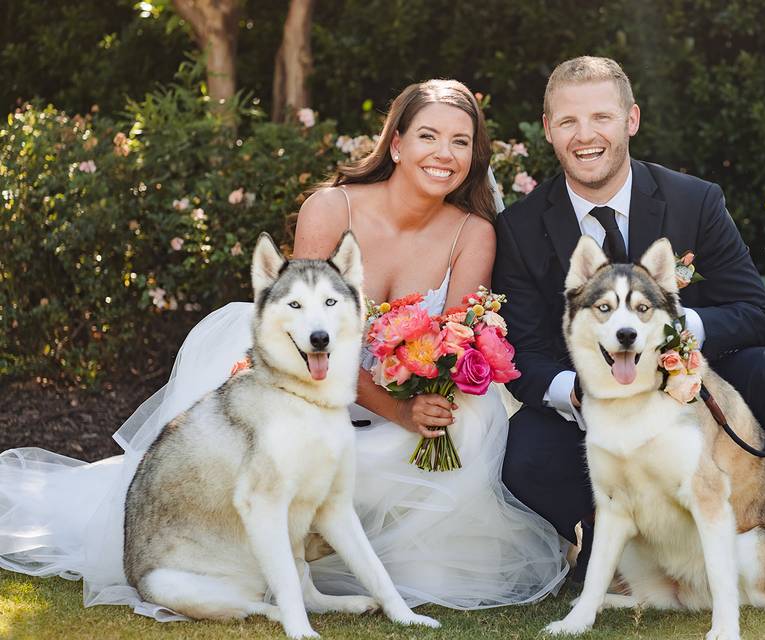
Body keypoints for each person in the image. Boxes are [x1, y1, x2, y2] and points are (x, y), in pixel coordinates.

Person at [0, 79, 567, 622]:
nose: (444, 152)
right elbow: (302, 336)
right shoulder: (332, 208)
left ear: (475, 155)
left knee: (470, 418)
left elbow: (454, 342)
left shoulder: (473, 232)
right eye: (428, 135)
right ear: (396, 143)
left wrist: (420, 401)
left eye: (461, 141)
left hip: (399, 398)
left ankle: (356, 556)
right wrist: (392, 407)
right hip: (304, 386)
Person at [493, 56, 765, 613]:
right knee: (522, 457)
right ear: (547, 128)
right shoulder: (519, 227)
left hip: (700, 387)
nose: (585, 136)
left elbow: (755, 311)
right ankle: (602, 547)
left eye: (601, 117)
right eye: (567, 121)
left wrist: (678, 335)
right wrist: (580, 392)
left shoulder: (695, 200)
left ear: (631, 119)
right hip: (600, 396)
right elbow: (528, 349)